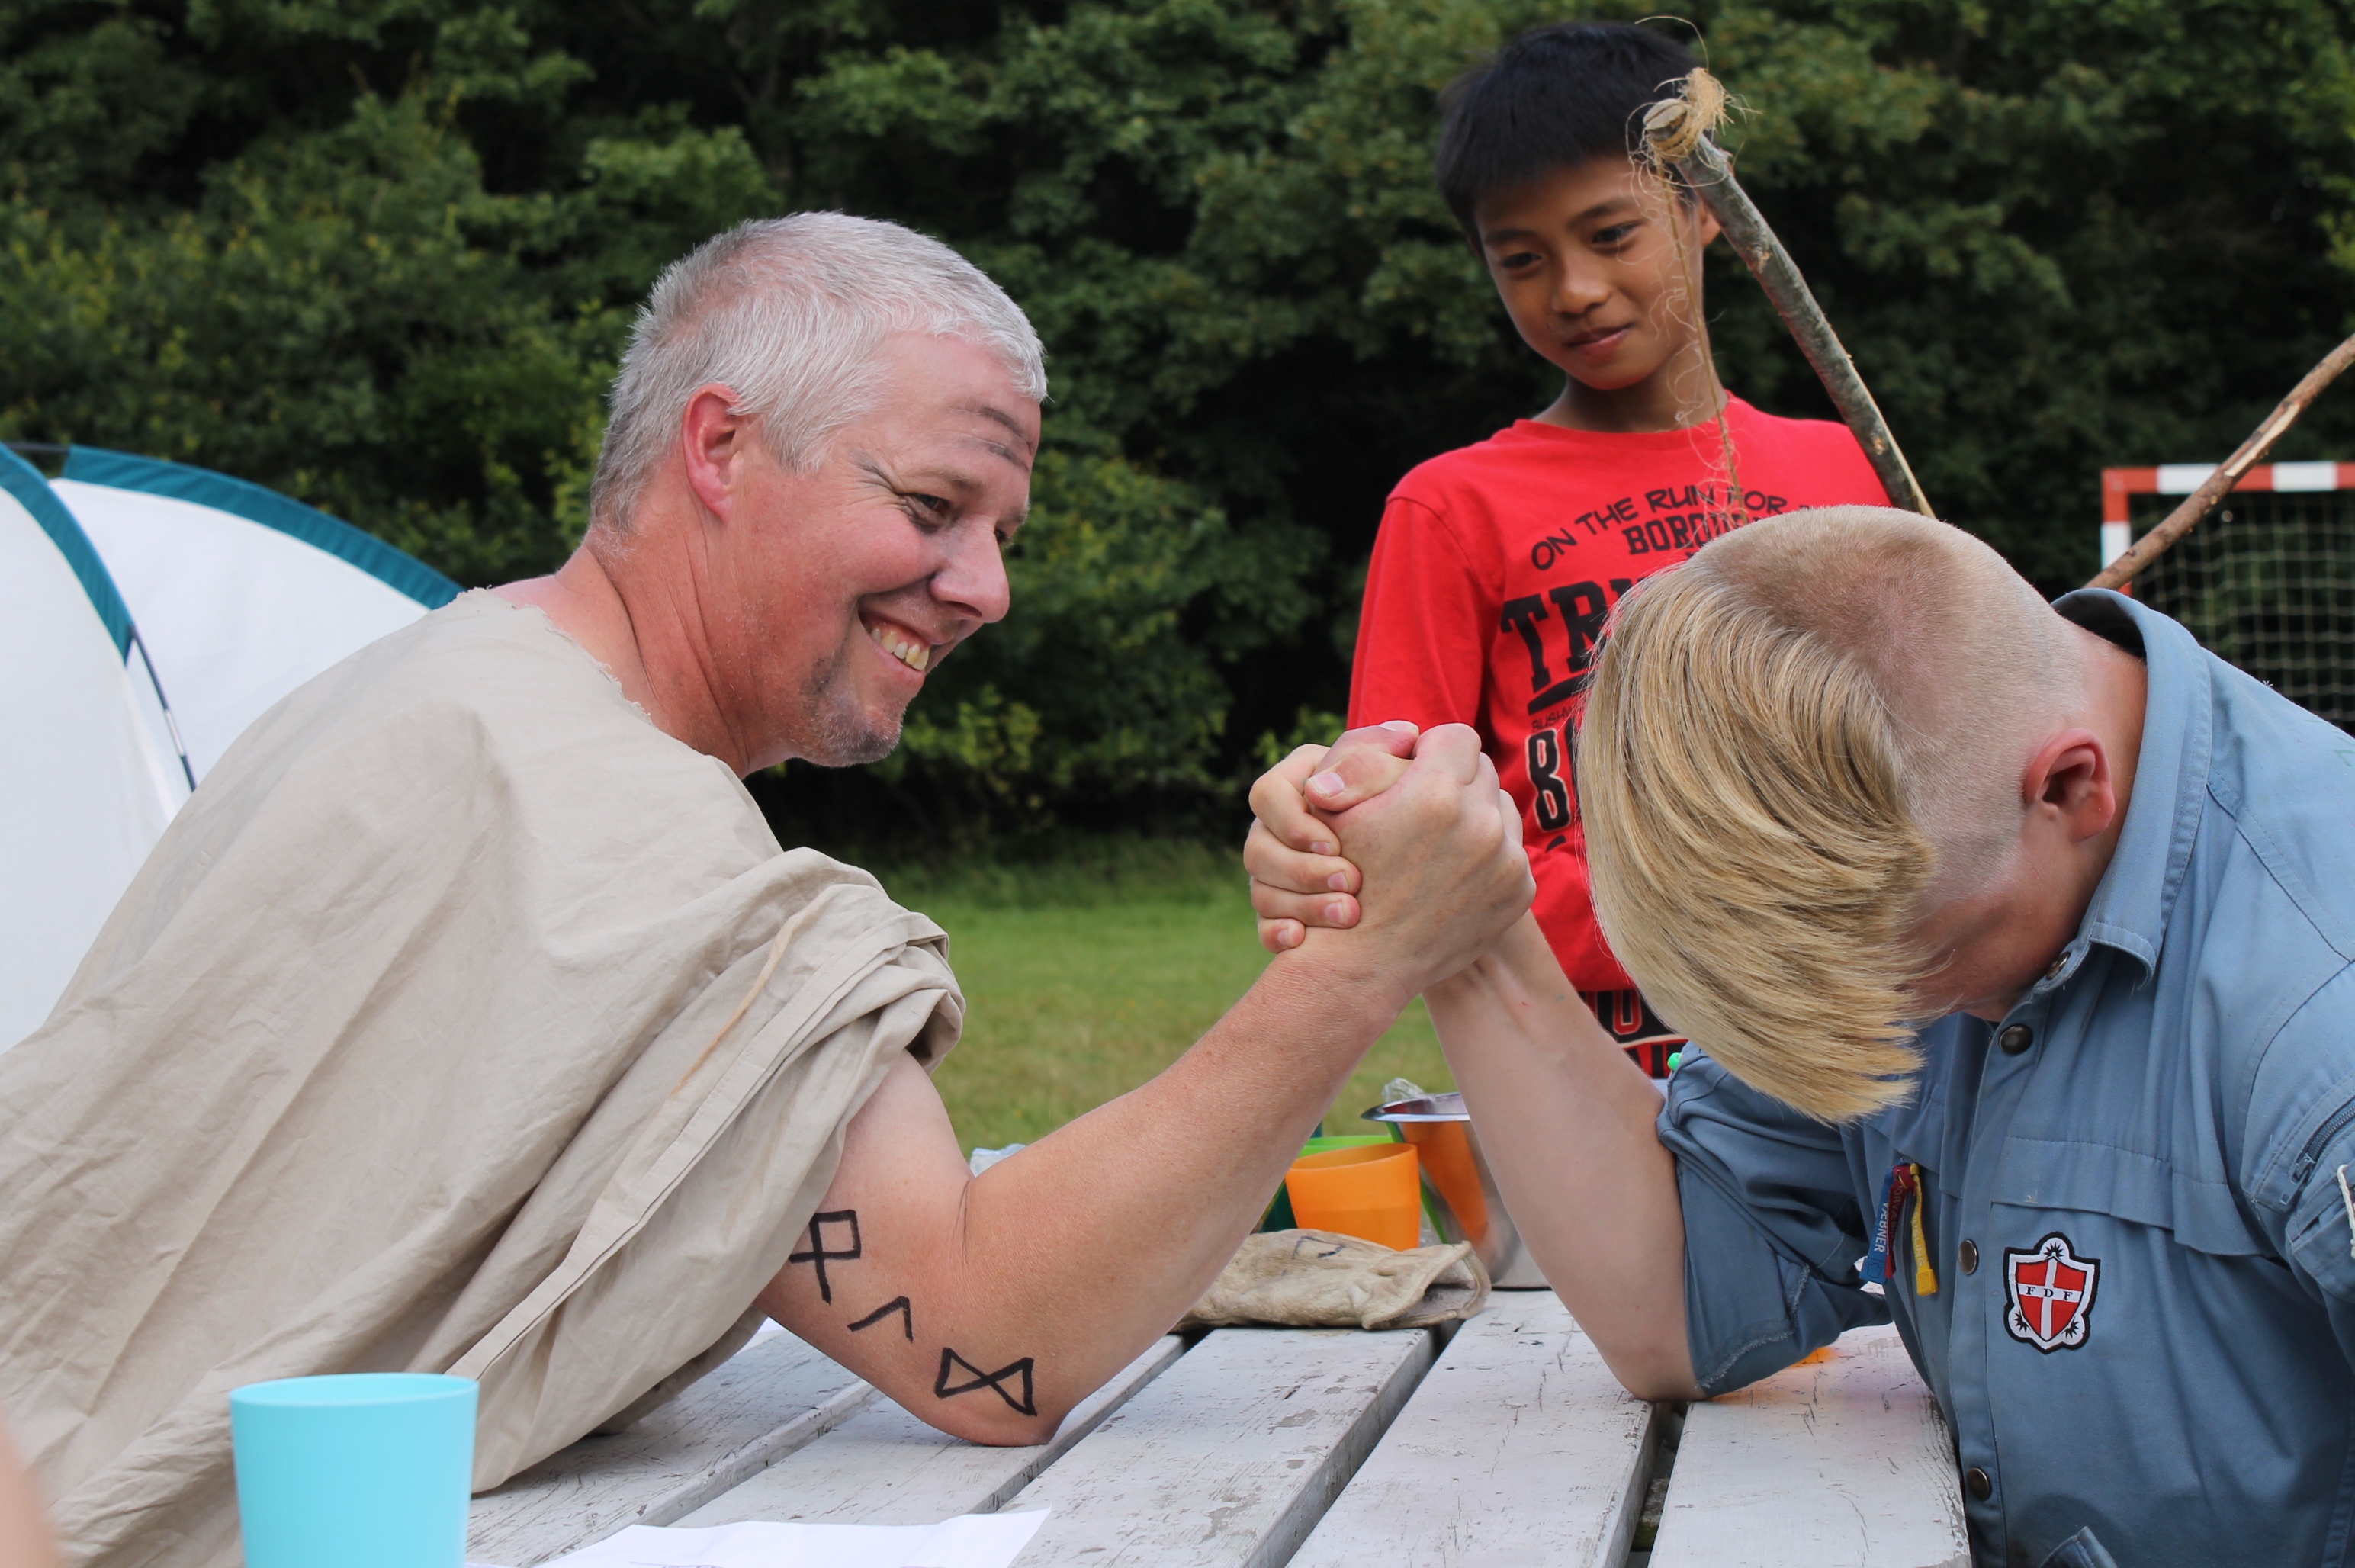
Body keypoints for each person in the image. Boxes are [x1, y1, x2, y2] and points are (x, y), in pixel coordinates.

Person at [0, 214, 1534, 1568]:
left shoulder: (434, 684)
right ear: (718, 447)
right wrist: (1357, 963)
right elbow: (990, 1335)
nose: (986, 585)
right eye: (934, 506)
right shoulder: (619, 825)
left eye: (999, 531)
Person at [1250, 506, 2355, 1567]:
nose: (1873, 1016)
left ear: (2071, 790)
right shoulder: (1916, 846)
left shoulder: (2319, 1030)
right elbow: (1677, 1301)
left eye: (1903, 970)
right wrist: (1466, 924)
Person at [1341, 21, 1889, 1076]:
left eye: (1610, 234)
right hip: (1577, 1071)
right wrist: (1691, 910)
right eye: (1523, 260)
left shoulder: (1840, 473)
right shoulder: (1453, 508)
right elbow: (1402, 830)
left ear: (1704, 212)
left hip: (1840, 1042)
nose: (1575, 290)